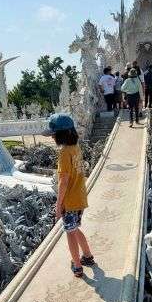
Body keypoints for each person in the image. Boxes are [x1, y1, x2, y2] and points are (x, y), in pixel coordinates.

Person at [43, 113, 95, 278]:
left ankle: (77, 266)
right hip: (80, 197)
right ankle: (87, 256)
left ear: (60, 134)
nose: (52, 137)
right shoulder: (76, 147)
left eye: (53, 134)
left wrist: (58, 206)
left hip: (70, 202)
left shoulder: (64, 152)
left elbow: (63, 181)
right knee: (75, 228)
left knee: (70, 233)